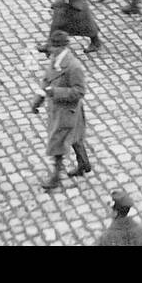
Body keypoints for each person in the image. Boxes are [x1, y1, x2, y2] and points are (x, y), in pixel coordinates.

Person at [35, 30, 89, 192]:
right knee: (75, 137)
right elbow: (47, 80)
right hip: (59, 109)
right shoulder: (55, 60)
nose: (49, 51)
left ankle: (55, 178)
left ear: (61, 48)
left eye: (52, 48)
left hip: (68, 110)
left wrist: (55, 93)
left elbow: (79, 92)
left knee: (58, 142)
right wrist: (37, 100)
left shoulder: (73, 67)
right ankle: (84, 164)